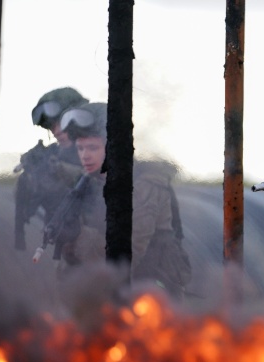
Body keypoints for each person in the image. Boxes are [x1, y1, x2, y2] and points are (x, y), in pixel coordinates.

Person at [51, 101, 192, 299]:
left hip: (151, 297)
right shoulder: (89, 184)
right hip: (107, 293)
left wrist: (79, 237)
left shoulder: (147, 185)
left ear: (114, 146)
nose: (85, 156)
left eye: (92, 148)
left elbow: (126, 257)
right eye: (80, 148)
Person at [14, 87, 89, 250]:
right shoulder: (53, 154)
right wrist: (32, 175)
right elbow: (29, 203)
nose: (56, 131)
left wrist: (59, 169)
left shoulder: (99, 149)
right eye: (51, 126)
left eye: (62, 123)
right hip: (68, 247)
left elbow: (94, 184)